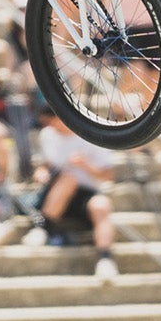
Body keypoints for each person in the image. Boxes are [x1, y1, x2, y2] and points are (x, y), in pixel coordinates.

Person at [34, 104, 118, 279]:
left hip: (85, 193)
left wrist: (86, 166)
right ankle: (43, 228)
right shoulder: (47, 135)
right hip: (55, 191)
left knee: (102, 205)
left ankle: (105, 259)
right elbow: (45, 165)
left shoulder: (93, 137)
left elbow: (108, 175)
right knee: (68, 179)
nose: (51, 126)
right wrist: (40, 173)